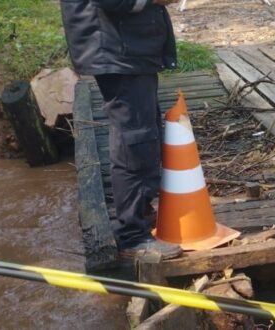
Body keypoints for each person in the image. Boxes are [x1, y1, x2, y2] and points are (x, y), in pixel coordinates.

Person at [61, 0, 183, 258]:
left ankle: (140, 215)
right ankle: (133, 235)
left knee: (142, 132)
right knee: (135, 139)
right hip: (117, 50)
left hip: (126, 47)